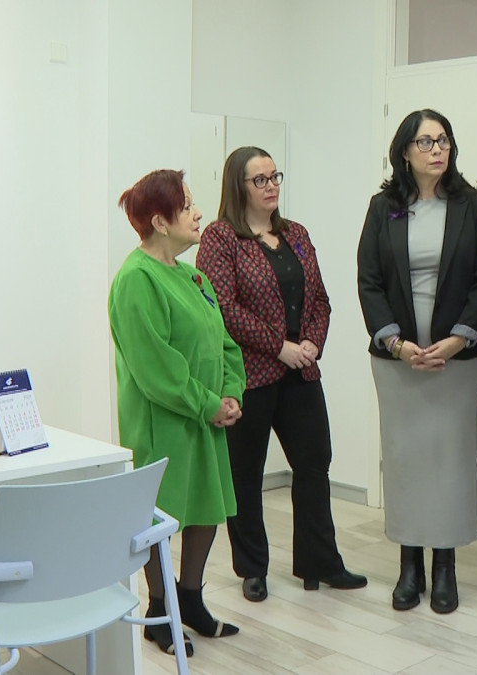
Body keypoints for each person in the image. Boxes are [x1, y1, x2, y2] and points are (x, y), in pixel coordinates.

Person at [195, 147, 366, 603]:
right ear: (239, 187)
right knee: (245, 473)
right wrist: (280, 347)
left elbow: (321, 300)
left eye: (275, 177)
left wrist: (310, 344)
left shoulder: (296, 234)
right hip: (250, 374)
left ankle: (320, 563)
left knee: (314, 465)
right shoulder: (220, 238)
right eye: (260, 180)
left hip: (301, 373)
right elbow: (223, 308)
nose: (271, 186)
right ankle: (252, 568)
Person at [357, 109, 477, 614]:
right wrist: (396, 343)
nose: (437, 150)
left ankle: (445, 569)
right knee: (405, 460)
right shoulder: (383, 207)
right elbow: (368, 280)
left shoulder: (472, 205)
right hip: (398, 362)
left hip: (456, 362)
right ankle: (408, 566)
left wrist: (457, 340)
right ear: (405, 153)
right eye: (426, 142)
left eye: (444, 141)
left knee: (450, 460)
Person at [108, 169, 246, 656]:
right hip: (166, 423)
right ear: (160, 222)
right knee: (162, 518)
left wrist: (232, 395)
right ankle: (158, 613)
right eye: (188, 206)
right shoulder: (135, 280)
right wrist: (209, 405)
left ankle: (191, 601)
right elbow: (156, 369)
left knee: (205, 507)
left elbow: (223, 341)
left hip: (206, 420)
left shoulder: (194, 275)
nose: (199, 213)